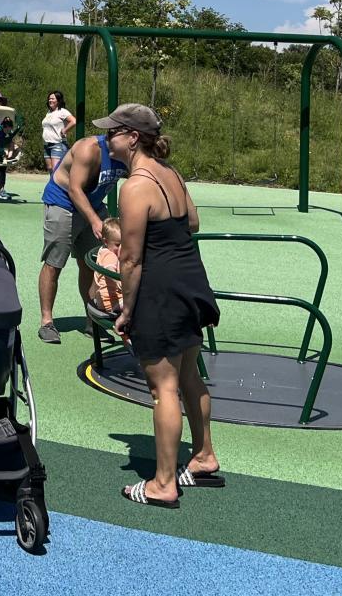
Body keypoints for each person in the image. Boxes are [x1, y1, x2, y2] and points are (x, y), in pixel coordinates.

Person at [100, 104, 223, 509]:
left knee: (162, 389)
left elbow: (131, 259)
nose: (106, 139)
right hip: (192, 281)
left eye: (113, 132)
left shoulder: (135, 186)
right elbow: (193, 223)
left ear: (132, 138)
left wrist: (127, 311)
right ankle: (204, 456)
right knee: (188, 377)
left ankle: (163, 484)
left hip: (161, 291)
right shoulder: (171, 175)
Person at [37, 117, 128, 344]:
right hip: (63, 203)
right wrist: (96, 221)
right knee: (54, 262)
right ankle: (46, 321)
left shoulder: (127, 156)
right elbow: (75, 190)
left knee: (91, 263)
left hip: (94, 205)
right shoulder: (88, 149)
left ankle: (92, 320)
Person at [89, 217, 124, 316]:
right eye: (117, 245)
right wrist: (117, 281)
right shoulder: (109, 254)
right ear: (105, 242)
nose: (121, 248)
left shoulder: (103, 250)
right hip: (111, 302)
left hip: (106, 299)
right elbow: (109, 269)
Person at [41, 90, 76, 173]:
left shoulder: (62, 111)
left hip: (57, 144)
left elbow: (74, 121)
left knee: (56, 170)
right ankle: (53, 186)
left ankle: (60, 186)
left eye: (53, 98)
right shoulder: (49, 113)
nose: (50, 100)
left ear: (58, 100)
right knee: (50, 168)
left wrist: (64, 130)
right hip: (46, 144)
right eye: (49, 99)